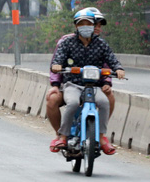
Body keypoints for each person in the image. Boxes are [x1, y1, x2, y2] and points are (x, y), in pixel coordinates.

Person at [49, 9, 125, 154]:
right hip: (73, 84)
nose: (90, 27)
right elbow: (57, 60)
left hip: (94, 85)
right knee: (71, 102)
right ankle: (62, 136)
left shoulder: (101, 44)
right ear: (76, 26)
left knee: (104, 102)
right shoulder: (67, 42)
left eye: (91, 24)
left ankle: (102, 136)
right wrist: (56, 80)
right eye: (82, 24)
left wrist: (117, 70)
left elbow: (110, 60)